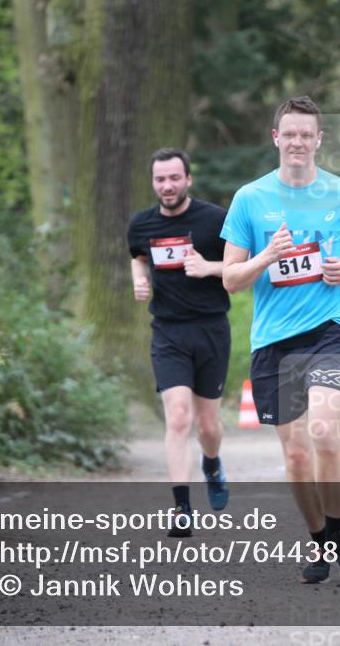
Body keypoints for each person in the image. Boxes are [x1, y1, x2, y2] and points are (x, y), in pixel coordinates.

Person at [221, 96, 340, 583]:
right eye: (290, 134)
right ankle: (321, 543)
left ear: (319, 139)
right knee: (296, 453)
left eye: (306, 134)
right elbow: (230, 278)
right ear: (275, 138)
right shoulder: (250, 199)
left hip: (329, 331)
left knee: (326, 431)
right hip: (274, 342)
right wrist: (267, 256)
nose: (298, 143)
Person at [127, 148, 230, 537]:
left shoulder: (215, 220)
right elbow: (138, 255)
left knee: (207, 426)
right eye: (160, 180)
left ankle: (213, 462)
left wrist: (209, 267)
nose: (167, 186)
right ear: (153, 182)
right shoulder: (141, 224)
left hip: (211, 329)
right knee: (178, 416)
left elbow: (243, 263)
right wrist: (139, 277)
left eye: (174, 178)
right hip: (168, 331)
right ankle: (182, 508)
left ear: (188, 179)